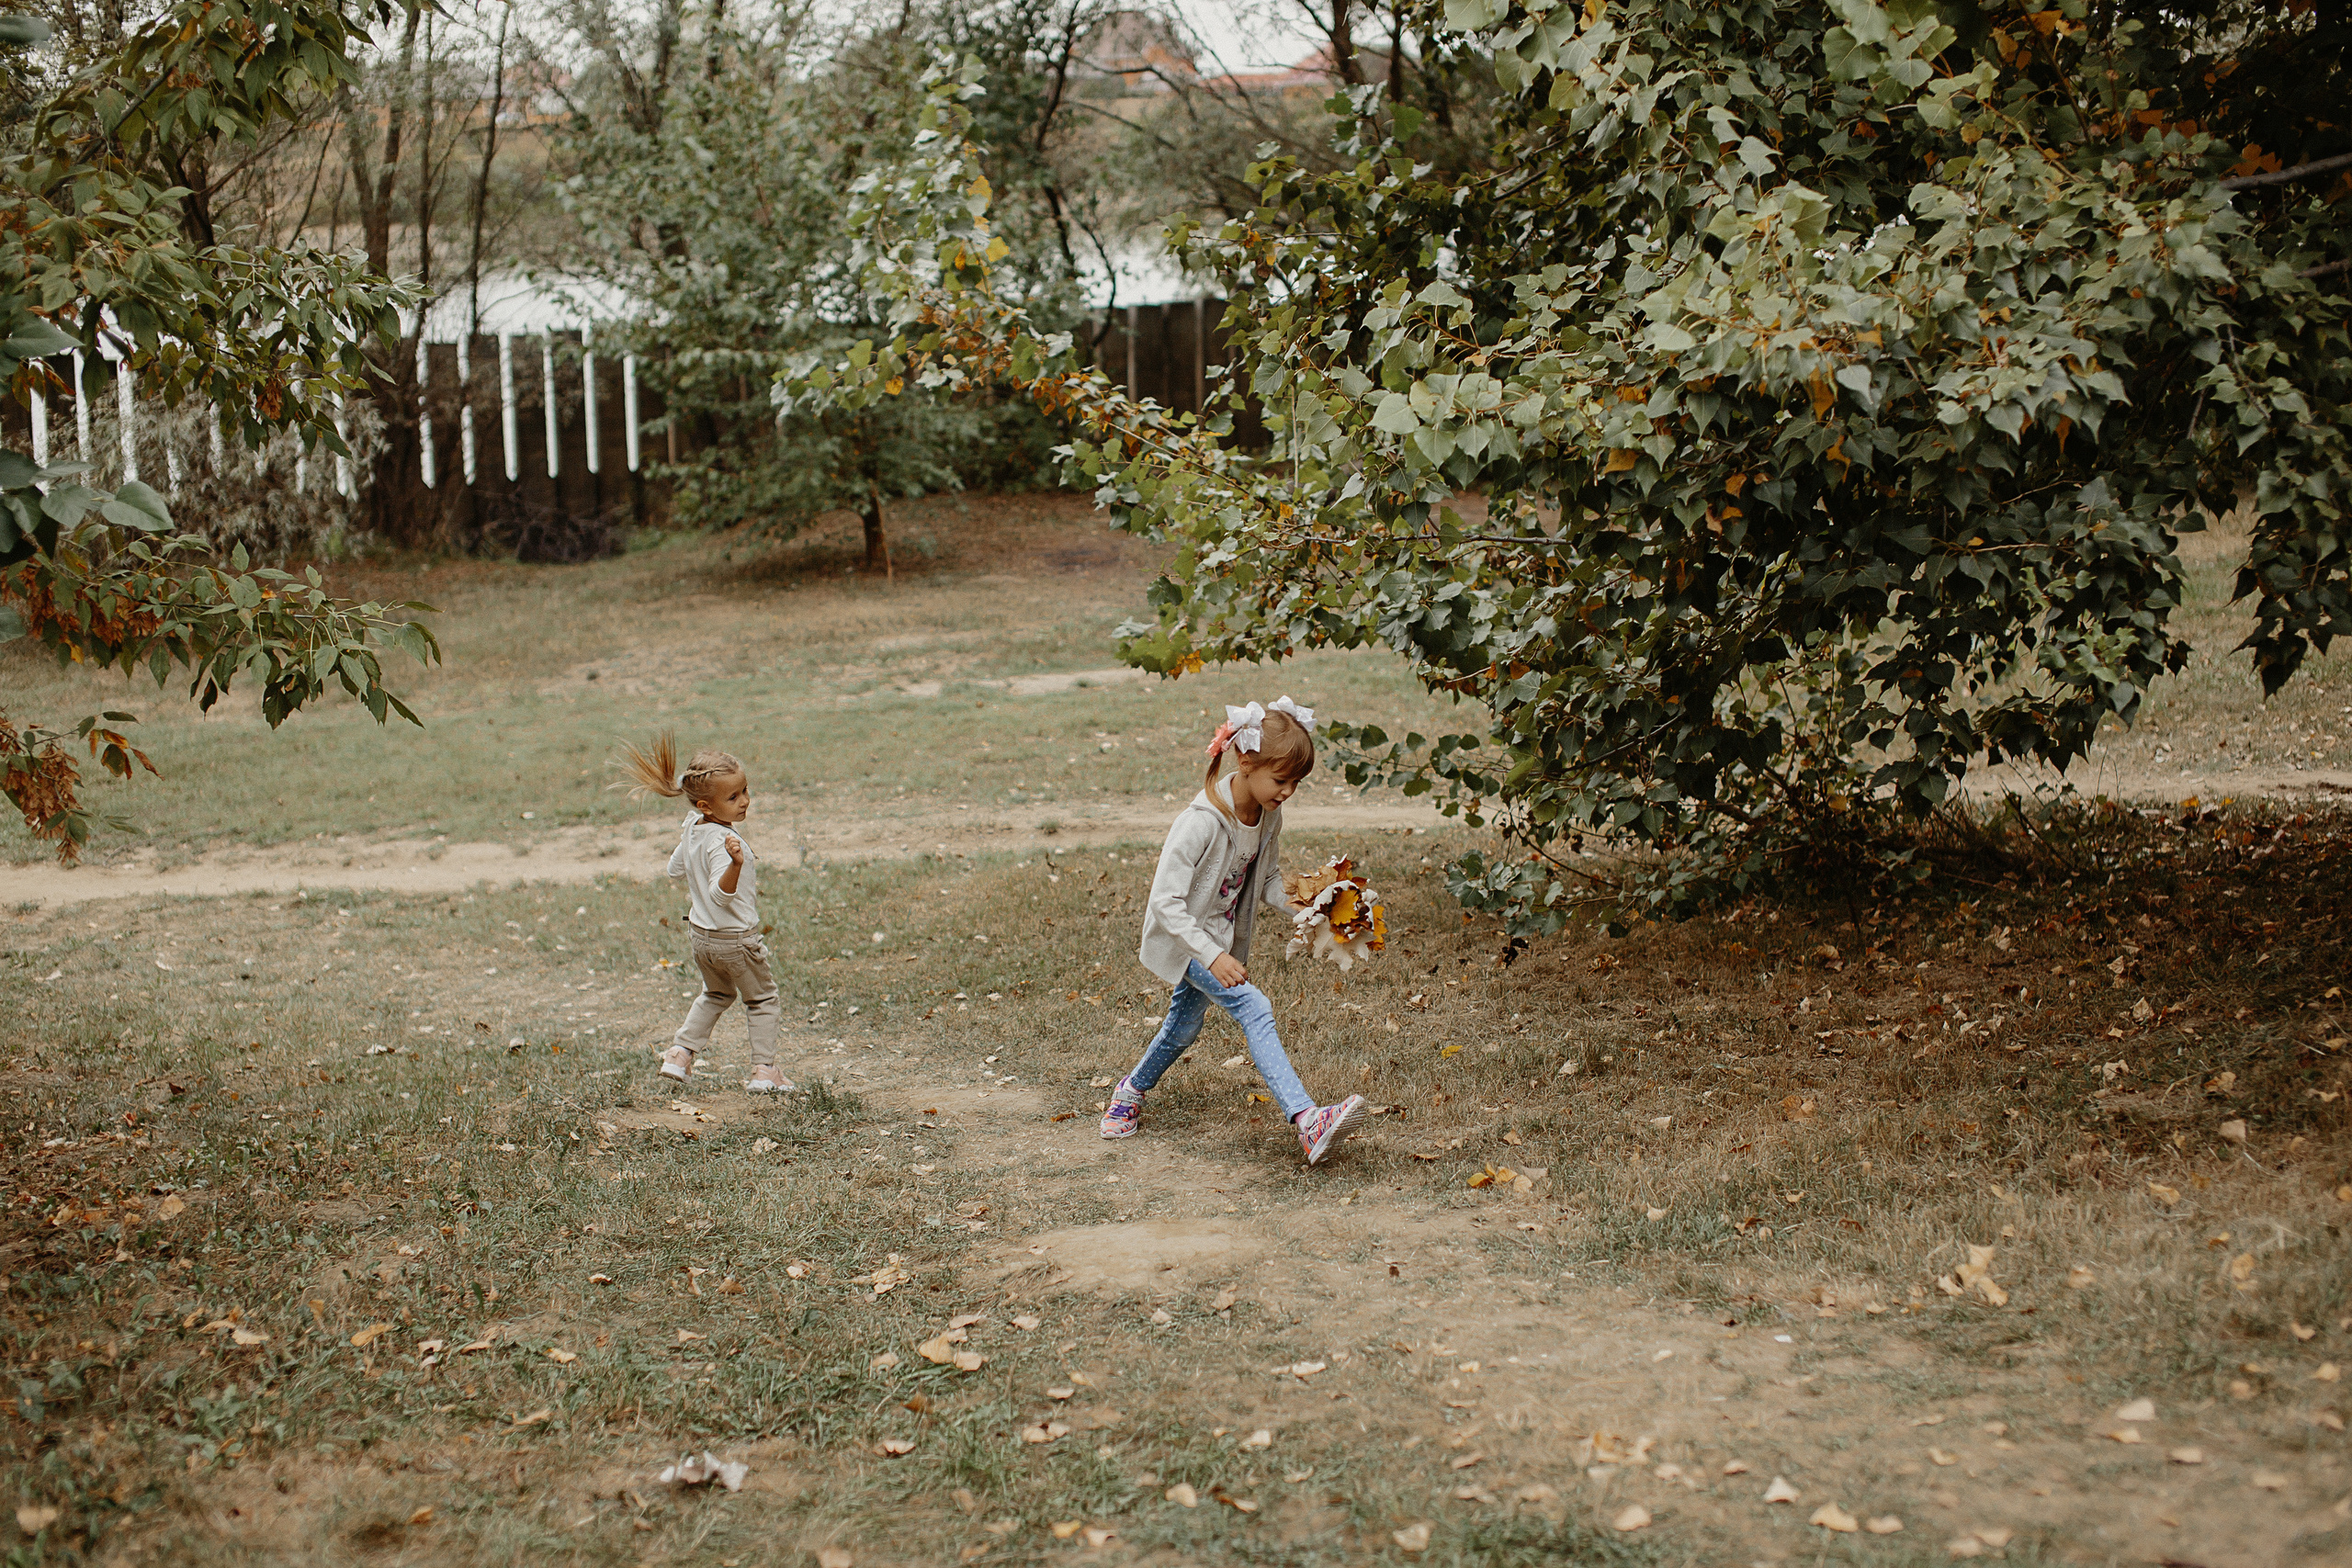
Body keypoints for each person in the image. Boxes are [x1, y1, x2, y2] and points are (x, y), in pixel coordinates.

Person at [1102, 698, 1365, 1164]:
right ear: (1245, 762)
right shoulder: (1200, 822)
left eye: (1296, 783)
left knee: (1182, 1029)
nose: (1288, 792)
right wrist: (1212, 956)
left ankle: (1130, 1090)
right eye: (1280, 780)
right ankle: (1307, 1120)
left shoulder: (1268, 813)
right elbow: (1165, 903)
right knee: (1254, 1007)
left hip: (1219, 941)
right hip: (1189, 941)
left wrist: (1314, 905)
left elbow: (1267, 880)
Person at [614, 733, 794, 1093]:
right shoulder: (725, 844)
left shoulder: (692, 828)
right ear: (706, 806)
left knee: (716, 994)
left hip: (702, 939)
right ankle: (765, 1072)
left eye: (744, 790)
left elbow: (674, 870)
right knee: (762, 999)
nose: (745, 801)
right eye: (733, 797)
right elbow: (720, 895)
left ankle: (679, 1055)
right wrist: (735, 864)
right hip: (735, 940)